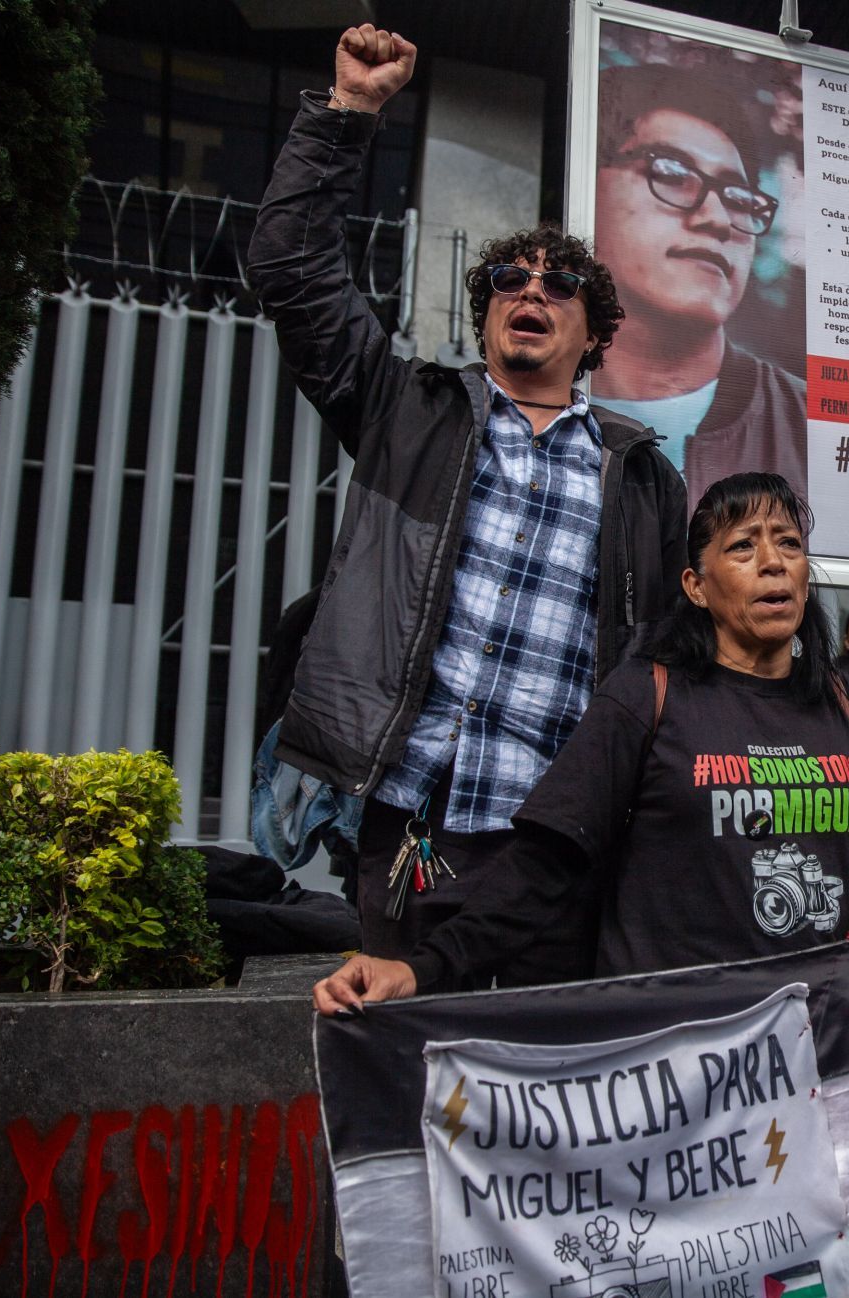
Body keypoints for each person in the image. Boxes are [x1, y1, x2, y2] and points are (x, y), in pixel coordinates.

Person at [248, 25, 687, 976]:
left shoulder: (645, 479)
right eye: (507, 279)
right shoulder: (408, 411)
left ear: (594, 332)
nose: (528, 290)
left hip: (558, 843)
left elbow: (670, 666)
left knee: (537, 1098)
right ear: (488, 310)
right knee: (407, 1084)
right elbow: (291, 270)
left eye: (558, 283)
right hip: (411, 821)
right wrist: (349, 113)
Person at [313, 473, 849, 1135]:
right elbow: (545, 865)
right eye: (742, 547)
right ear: (696, 587)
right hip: (670, 1069)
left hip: (814, 1057)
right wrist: (419, 967)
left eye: (788, 543)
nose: (773, 561)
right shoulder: (647, 695)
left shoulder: (844, 706)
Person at [590, 62, 807, 505]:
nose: (718, 220)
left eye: (740, 200)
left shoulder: (811, 427)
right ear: (590, 186)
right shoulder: (531, 403)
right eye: (671, 174)